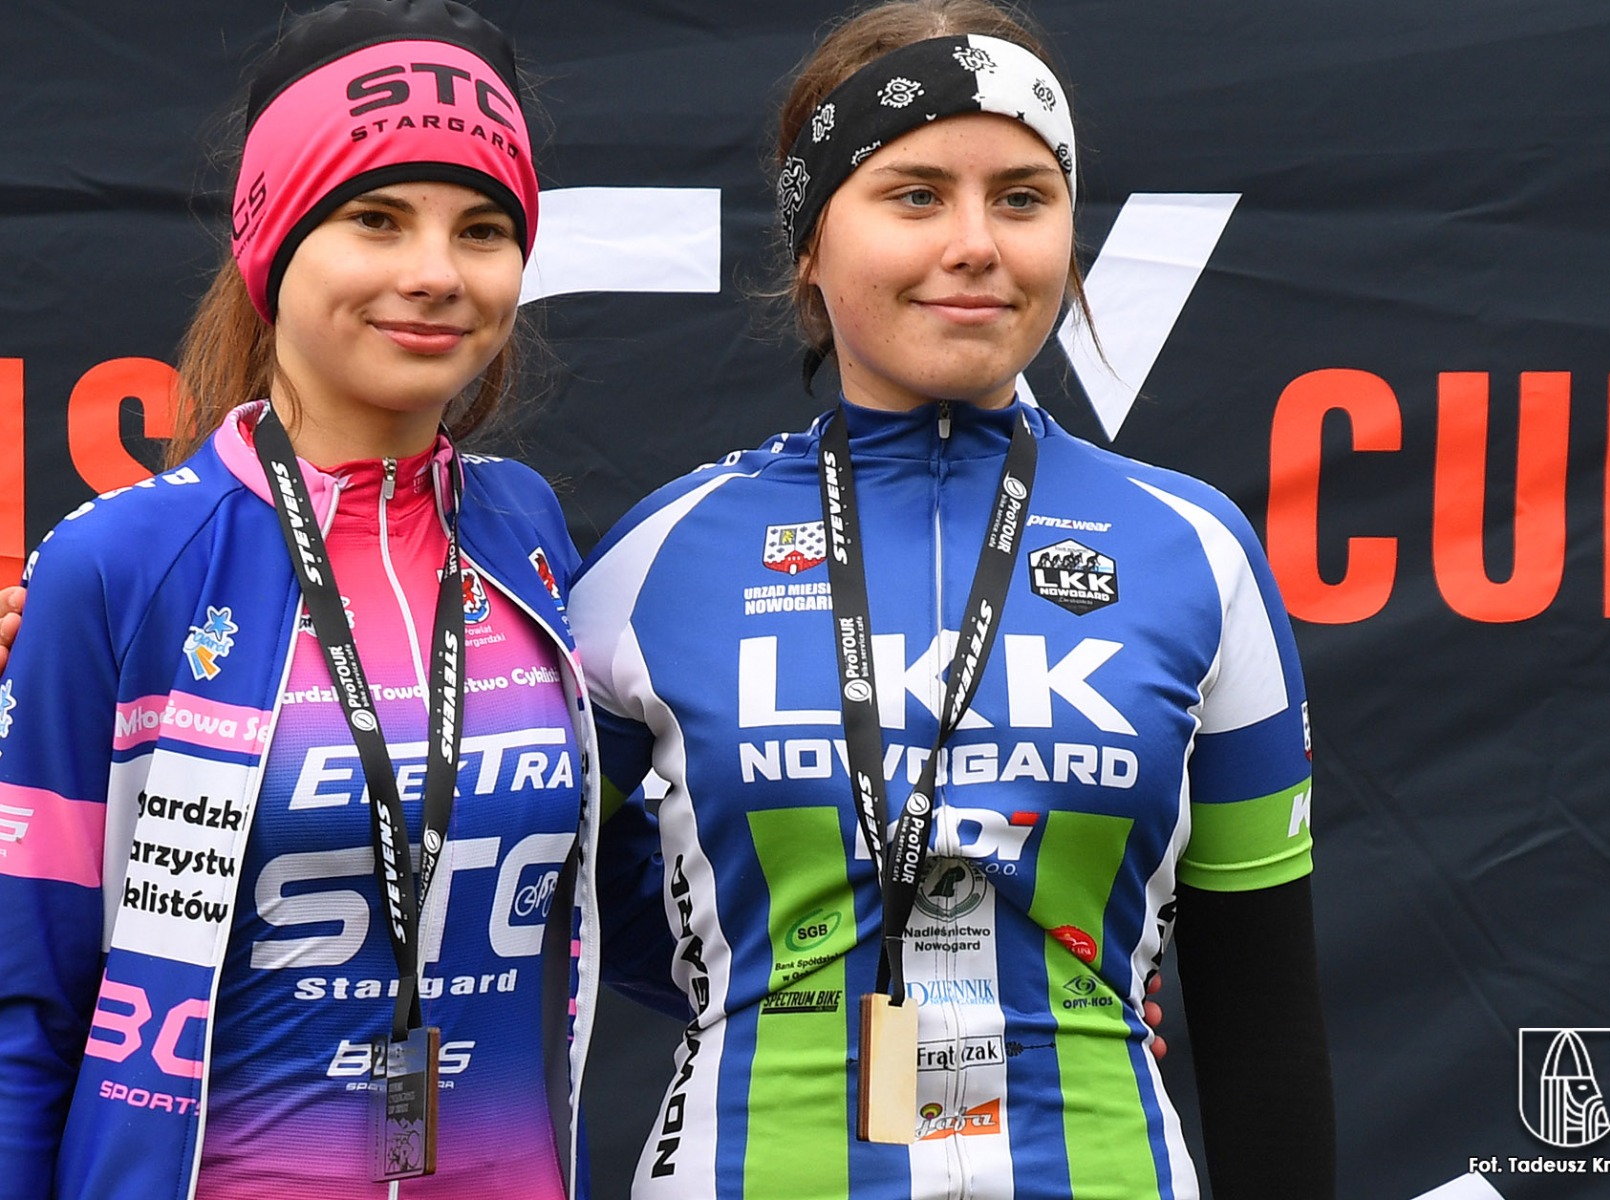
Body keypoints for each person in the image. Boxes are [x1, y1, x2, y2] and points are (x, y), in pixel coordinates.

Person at [568, 1, 1336, 1197]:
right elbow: (526, 906)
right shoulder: (660, 556)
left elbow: (1263, 1021)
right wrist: (755, 972)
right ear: (809, 242)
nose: (976, 244)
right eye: (916, 195)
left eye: (1021, 198)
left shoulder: (1196, 552)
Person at [0, 2, 610, 1196]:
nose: (434, 274)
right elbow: (21, 1015)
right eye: (376, 218)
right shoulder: (120, 561)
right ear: (272, 239)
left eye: (482, 230)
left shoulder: (525, 529)